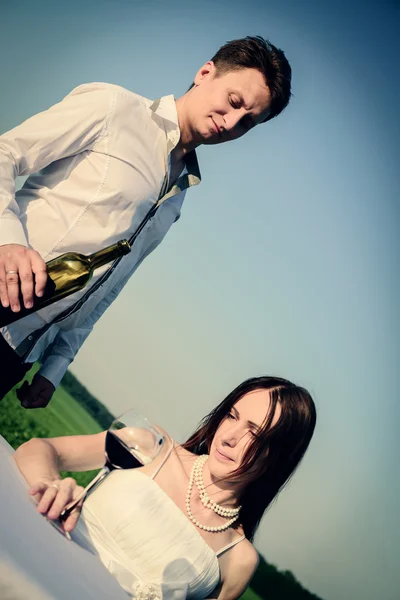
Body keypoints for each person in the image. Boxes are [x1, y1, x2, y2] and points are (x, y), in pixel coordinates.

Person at [0, 36, 292, 408]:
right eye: (234, 102)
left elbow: (110, 285)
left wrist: (55, 365)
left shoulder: (179, 195)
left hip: (17, 356)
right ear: (205, 73)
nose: (232, 122)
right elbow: (6, 153)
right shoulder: (114, 108)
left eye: (247, 123)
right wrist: (7, 240)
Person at [11, 376, 316, 599]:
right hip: (26, 576)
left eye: (254, 432)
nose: (228, 436)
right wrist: (50, 484)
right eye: (231, 416)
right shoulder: (149, 446)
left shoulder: (239, 560)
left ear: (277, 456)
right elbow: (38, 449)